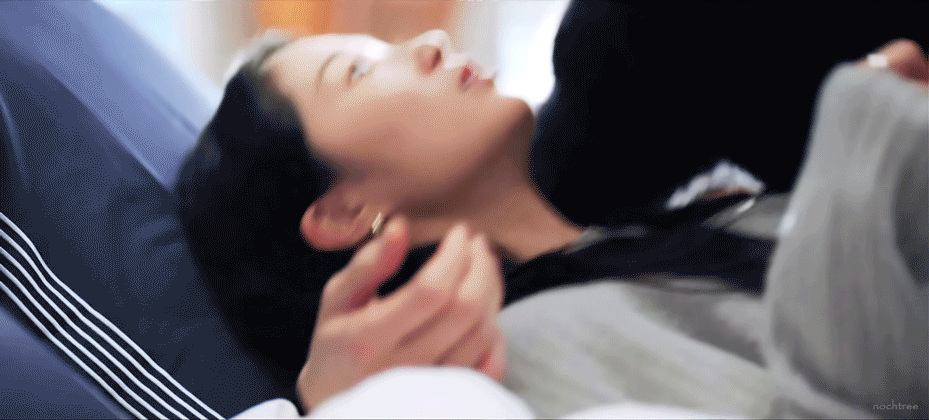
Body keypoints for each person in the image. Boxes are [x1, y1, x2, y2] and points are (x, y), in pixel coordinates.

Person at [176, 22, 927, 418]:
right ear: (345, 212)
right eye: (362, 71)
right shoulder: (519, 355)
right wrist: (868, 142)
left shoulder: (670, 222)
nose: (430, 45)